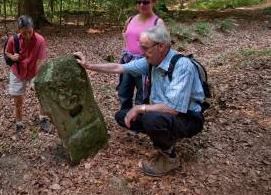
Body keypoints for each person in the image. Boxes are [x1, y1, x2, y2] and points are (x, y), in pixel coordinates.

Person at [75, 25, 205, 177]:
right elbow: (119, 67)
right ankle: (167, 135)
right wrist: (89, 66)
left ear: (161, 46)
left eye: (145, 47)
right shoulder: (151, 62)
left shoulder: (182, 66)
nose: (141, 52)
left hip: (188, 117)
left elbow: (172, 109)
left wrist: (139, 108)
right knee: (122, 116)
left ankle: (169, 157)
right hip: (165, 114)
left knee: (151, 118)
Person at [117, 0, 165, 110]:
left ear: (153, 2)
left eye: (145, 2)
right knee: (124, 92)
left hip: (146, 63)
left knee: (142, 95)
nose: (141, 5)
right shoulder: (130, 19)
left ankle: (138, 122)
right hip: (127, 60)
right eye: (138, 1)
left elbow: (163, 47)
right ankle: (125, 118)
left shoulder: (157, 22)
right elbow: (125, 33)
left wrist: (154, 70)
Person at [5, 15, 50, 133]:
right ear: (19, 30)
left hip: (33, 71)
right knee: (18, 101)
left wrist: (37, 80)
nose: (28, 35)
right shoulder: (13, 40)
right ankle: (19, 123)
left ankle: (43, 118)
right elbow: (7, 52)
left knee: (42, 94)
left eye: (30, 32)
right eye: (24, 33)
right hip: (17, 72)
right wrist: (12, 56)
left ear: (33, 28)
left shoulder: (40, 40)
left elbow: (40, 61)